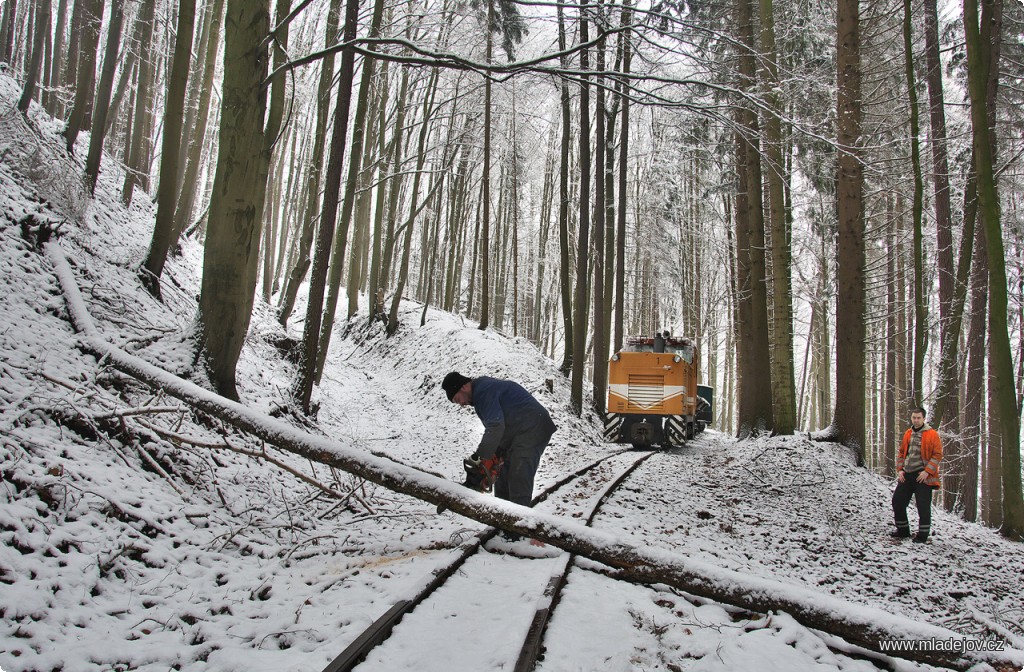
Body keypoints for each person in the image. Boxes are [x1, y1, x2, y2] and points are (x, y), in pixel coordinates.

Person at [441, 372, 556, 540]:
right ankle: (504, 525)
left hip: (533, 426)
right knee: (502, 477)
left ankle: (518, 530)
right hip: (517, 430)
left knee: (518, 474)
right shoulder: (482, 392)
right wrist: (494, 456)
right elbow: (499, 427)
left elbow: (495, 426)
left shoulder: (484, 391)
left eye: (458, 399)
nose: (462, 404)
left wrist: (479, 458)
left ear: (464, 386)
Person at [892, 407, 942, 543]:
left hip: (923, 476)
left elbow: (937, 455)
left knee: (923, 506)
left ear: (924, 418)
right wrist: (900, 470)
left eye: (918, 417)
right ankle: (903, 531)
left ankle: (922, 536)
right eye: (914, 417)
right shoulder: (908, 433)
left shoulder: (932, 434)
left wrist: (927, 472)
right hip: (907, 474)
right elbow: (902, 452)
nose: (916, 420)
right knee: (898, 502)